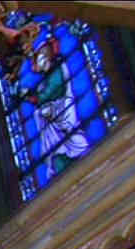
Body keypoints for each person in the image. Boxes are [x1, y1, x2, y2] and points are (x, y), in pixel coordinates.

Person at [20, 29, 89, 178]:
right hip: (54, 114)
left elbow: (54, 90)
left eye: (40, 59)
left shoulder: (57, 69)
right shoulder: (48, 75)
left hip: (63, 109)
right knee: (56, 149)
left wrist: (34, 98)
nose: (38, 64)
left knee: (69, 141)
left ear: (46, 58)